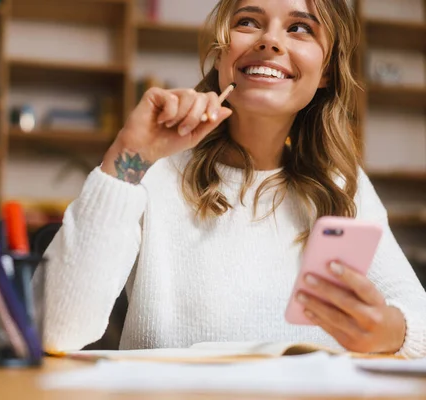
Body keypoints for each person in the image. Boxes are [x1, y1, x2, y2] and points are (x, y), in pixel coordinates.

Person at [32, 0, 426, 358]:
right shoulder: (150, 169)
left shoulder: (341, 183)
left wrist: (390, 331)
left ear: (325, 71)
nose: (270, 40)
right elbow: (52, 330)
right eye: (249, 22)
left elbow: (420, 323)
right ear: (222, 55)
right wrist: (125, 162)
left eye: (300, 28)